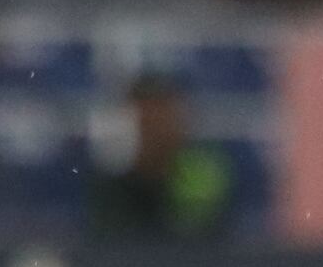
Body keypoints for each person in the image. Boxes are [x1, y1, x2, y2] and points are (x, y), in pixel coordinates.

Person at [83, 70, 232, 240]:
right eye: (145, 122)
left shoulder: (204, 178)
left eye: (162, 120)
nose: (155, 132)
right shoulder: (108, 186)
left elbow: (206, 242)